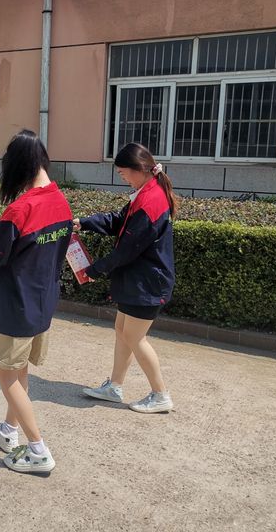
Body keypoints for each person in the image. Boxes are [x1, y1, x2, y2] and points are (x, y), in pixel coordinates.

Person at [0, 129, 72, 474]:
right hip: (40, 306)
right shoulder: (61, 203)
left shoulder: (20, 211)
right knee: (18, 371)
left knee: (6, 376)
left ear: (18, 165)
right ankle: (8, 430)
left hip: (11, 308)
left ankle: (38, 450)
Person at [74, 142, 177, 414]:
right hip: (140, 281)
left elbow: (127, 250)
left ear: (138, 169)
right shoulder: (146, 193)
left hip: (148, 283)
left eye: (122, 173)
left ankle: (160, 394)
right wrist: (84, 223)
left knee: (134, 337)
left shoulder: (151, 200)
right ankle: (115, 386)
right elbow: (119, 221)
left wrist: (94, 270)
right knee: (123, 331)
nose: (122, 178)